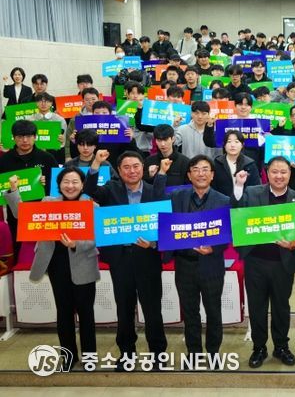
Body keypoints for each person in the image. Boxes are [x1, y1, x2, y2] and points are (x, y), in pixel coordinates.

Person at [84, 149, 171, 371]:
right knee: (124, 309)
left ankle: (158, 354)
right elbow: (89, 191)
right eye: (126, 167)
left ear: (143, 168)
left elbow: (165, 226)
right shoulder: (110, 190)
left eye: (136, 166)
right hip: (121, 260)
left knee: (152, 309)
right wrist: (96, 164)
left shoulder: (154, 191)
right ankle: (127, 354)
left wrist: (153, 244)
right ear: (119, 170)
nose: (132, 171)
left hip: (148, 258)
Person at [4, 168, 99, 369]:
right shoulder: (48, 202)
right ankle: (68, 357)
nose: (70, 186)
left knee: (86, 314)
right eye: (66, 182)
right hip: (57, 265)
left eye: (75, 182)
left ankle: (89, 358)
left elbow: (98, 237)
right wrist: (13, 190)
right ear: (59, 185)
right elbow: (22, 214)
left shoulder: (91, 206)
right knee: (63, 313)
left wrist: (76, 244)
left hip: (84, 264)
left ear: (82, 185)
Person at [237, 156, 295, 368]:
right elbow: (237, 215)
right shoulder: (252, 193)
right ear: (267, 173)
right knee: (257, 307)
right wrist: (238, 186)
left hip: (282, 265)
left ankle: (281, 347)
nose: (279, 176)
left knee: (281, 307)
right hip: (255, 262)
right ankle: (259, 348)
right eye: (275, 172)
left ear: (290, 174)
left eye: (283, 172)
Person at [167, 155, 230, 357]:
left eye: (205, 169)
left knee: (213, 311)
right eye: (195, 169)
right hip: (185, 264)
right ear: (189, 175)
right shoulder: (176, 197)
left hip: (211, 264)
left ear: (212, 175)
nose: (200, 174)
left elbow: (227, 233)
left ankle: (213, 352)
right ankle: (193, 352)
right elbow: (168, 227)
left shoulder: (224, 200)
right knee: (190, 312)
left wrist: (214, 248)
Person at [0, 120, 58, 261]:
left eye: (28, 136)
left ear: (35, 137)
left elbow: (58, 185)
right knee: (19, 249)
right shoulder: (4, 160)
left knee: (46, 250)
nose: (25, 140)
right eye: (20, 137)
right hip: (16, 215)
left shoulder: (47, 158)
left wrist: (47, 184)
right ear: (14, 138)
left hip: (43, 212)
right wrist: (10, 189)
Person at [210, 129, 260, 201]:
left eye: (236, 142)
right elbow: (213, 188)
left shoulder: (250, 164)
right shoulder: (217, 163)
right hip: (222, 203)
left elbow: (255, 188)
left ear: (242, 145)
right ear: (224, 145)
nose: (232, 145)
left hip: (244, 204)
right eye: (229, 142)